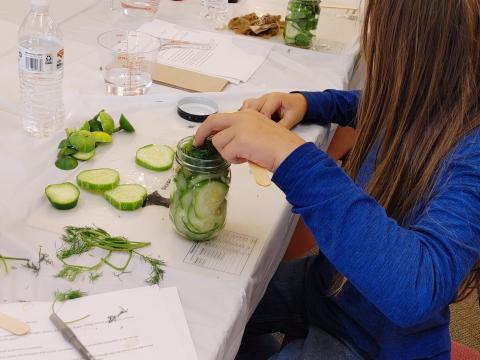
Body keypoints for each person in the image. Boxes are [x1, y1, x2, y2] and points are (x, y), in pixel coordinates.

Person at [194, 0, 480, 358]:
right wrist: (307, 103)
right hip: (331, 290)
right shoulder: (429, 95)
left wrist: (291, 157)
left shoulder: (473, 154)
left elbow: (416, 291)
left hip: (376, 345)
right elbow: (371, 102)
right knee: (207, 300)